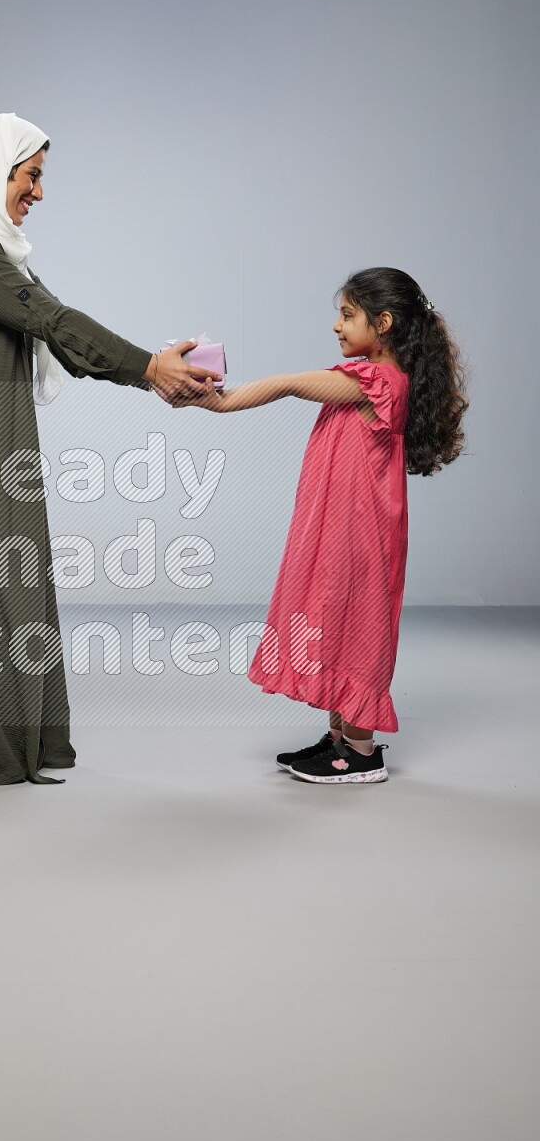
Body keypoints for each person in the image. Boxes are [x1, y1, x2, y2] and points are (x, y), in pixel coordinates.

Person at [0, 113, 210, 788]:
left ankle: (3, 738)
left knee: (1, 573)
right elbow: (48, 320)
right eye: (31, 176)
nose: (38, 193)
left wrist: (152, 370)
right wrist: (149, 368)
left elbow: (56, 324)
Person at [180, 267, 468, 784]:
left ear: (382, 323)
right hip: (346, 527)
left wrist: (217, 401)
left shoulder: (376, 381)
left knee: (357, 624)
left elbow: (290, 385)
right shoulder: (377, 378)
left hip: (360, 534)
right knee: (336, 615)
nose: (337, 326)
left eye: (347, 315)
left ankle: (361, 753)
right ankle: (340, 739)